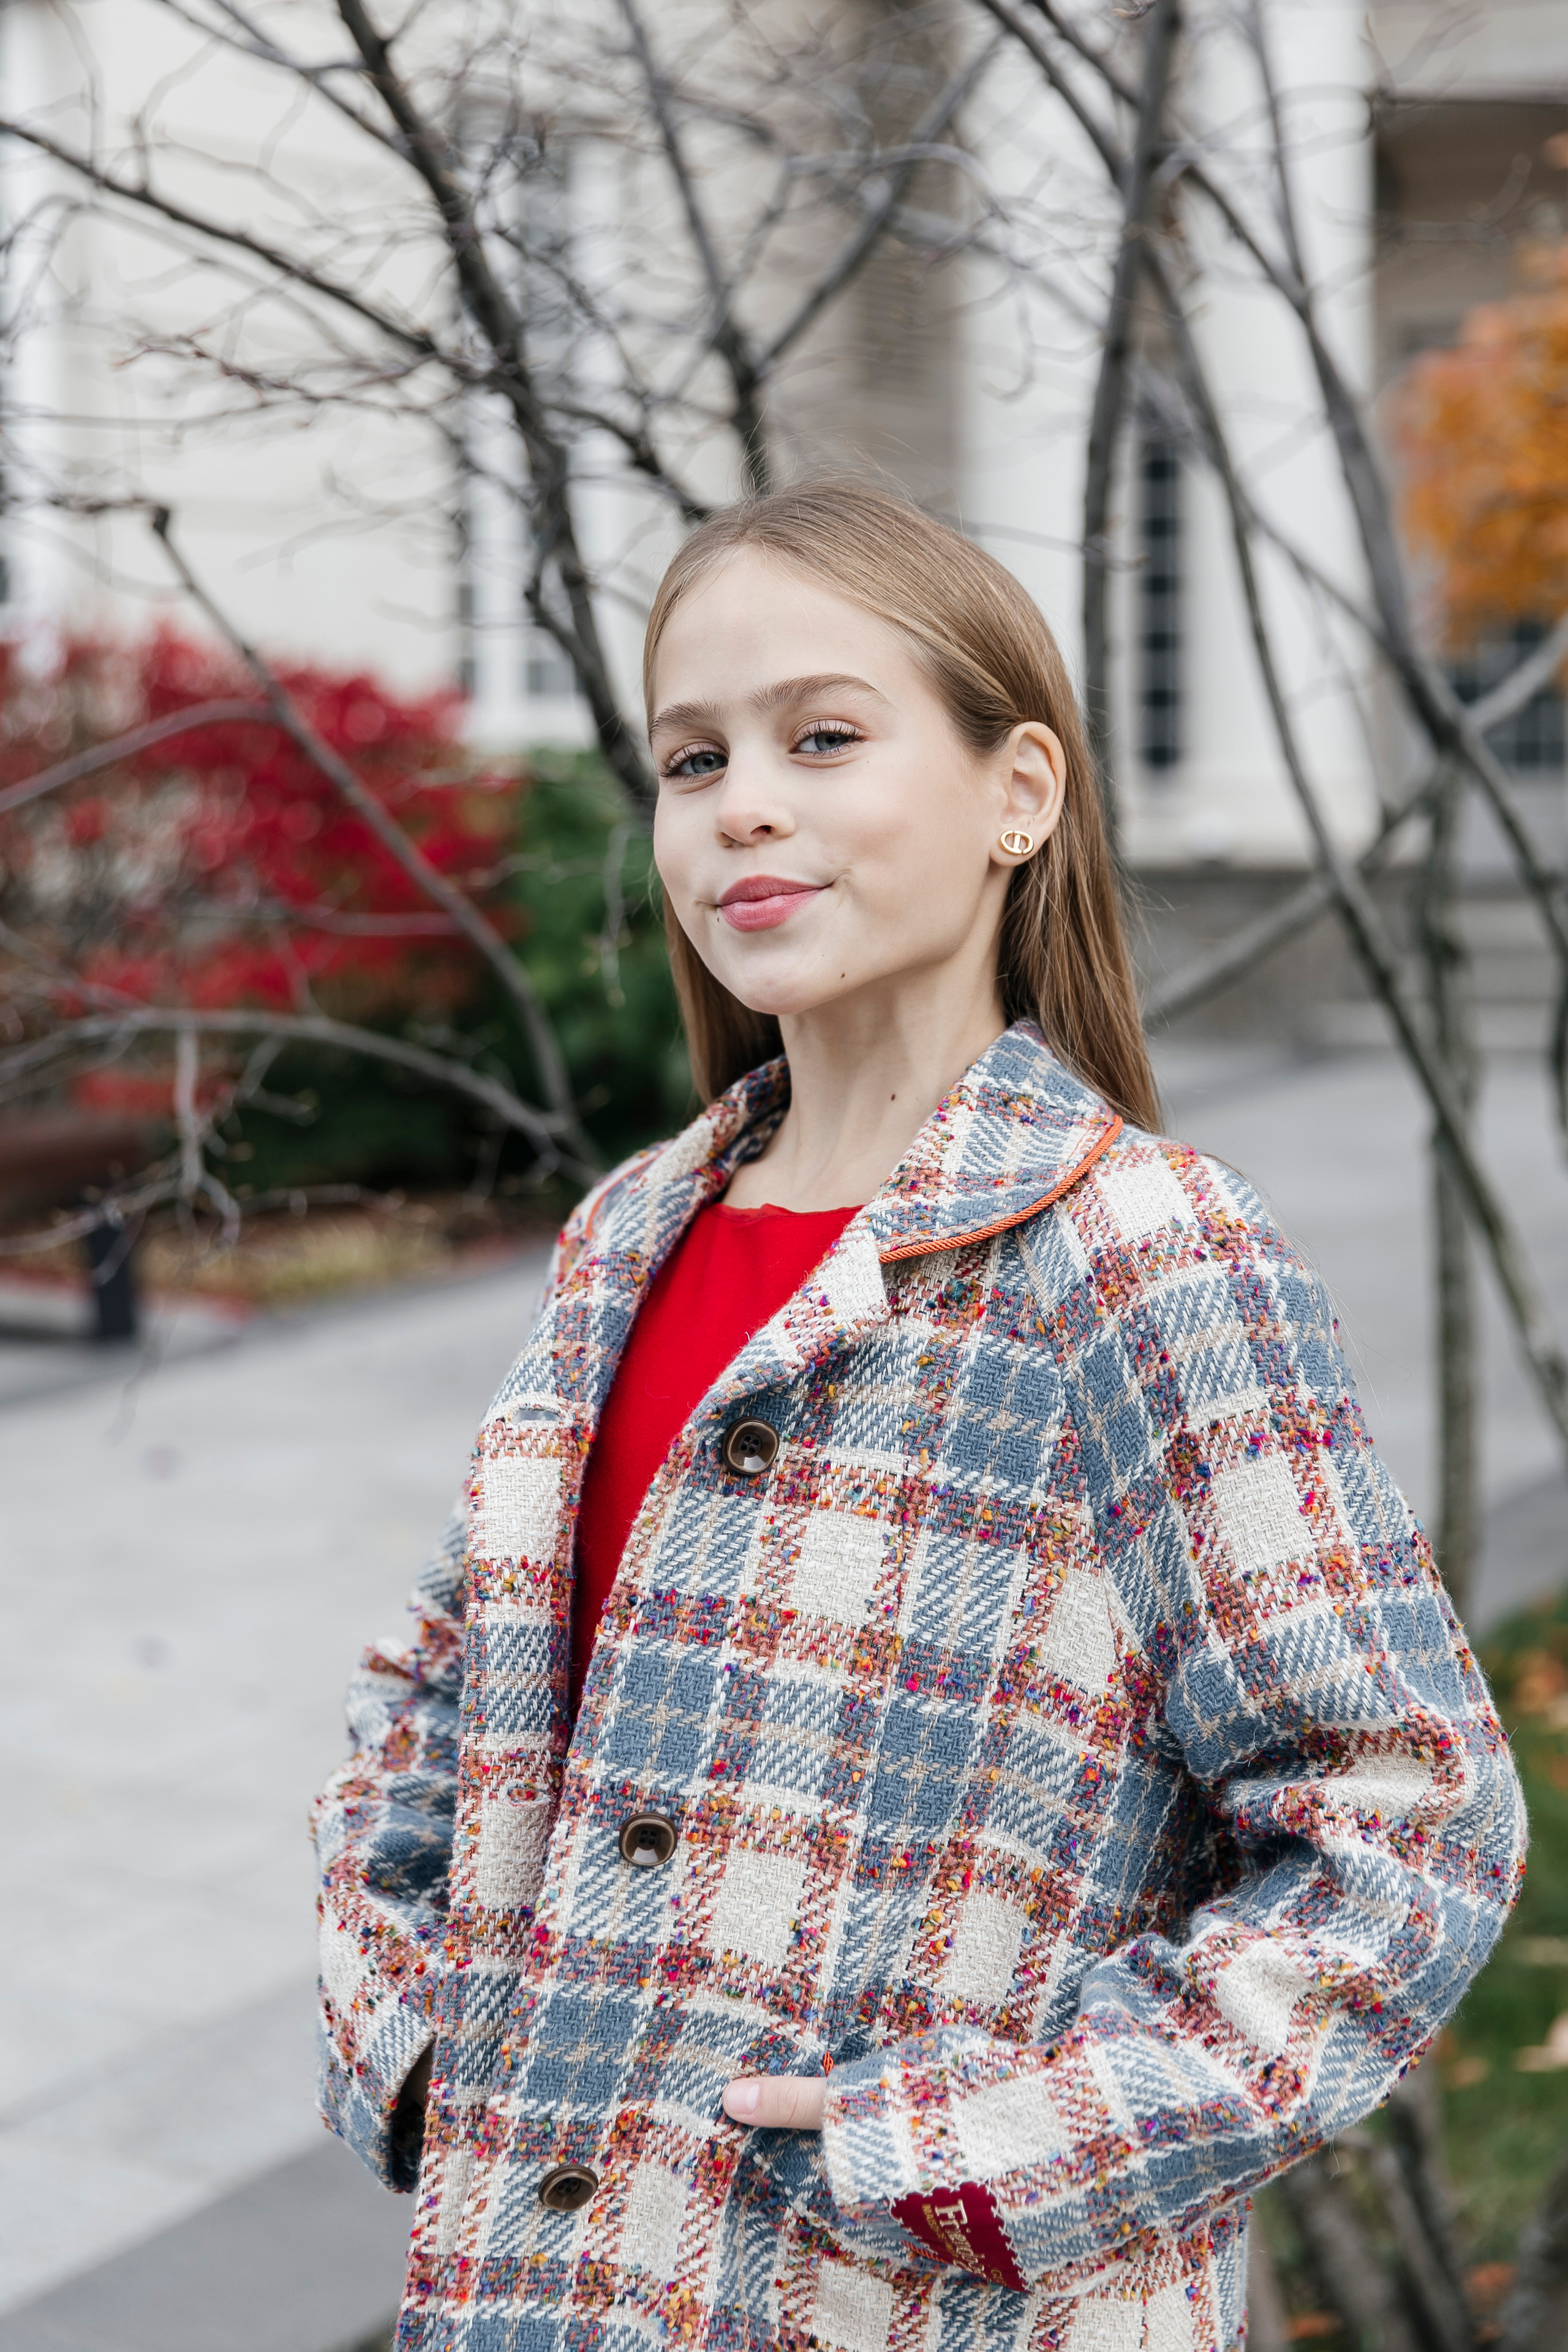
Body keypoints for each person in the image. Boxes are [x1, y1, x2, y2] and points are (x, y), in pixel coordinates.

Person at [313, 484, 1523, 2352]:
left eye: (821, 737)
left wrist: (968, 2153)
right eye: (692, 758)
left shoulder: (1142, 1256)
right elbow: (439, 1694)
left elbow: (1403, 1829)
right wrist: (407, 2038)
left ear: (1016, 793)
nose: (744, 807)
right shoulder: (629, 1237)